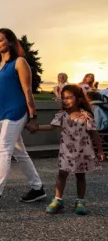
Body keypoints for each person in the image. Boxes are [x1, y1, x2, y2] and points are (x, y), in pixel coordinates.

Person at [0, 28, 46, 208]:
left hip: (17, 111)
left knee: (3, 151)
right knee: (20, 152)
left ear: (11, 42)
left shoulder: (19, 62)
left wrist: (33, 116)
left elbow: (28, 91)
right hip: (3, 114)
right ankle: (37, 188)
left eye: (0, 40)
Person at [30, 84, 104, 215]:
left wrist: (100, 151)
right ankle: (58, 200)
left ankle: (80, 201)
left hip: (82, 152)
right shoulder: (62, 115)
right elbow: (51, 127)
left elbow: (94, 134)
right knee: (62, 174)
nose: (65, 101)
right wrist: (37, 128)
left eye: (69, 98)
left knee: (80, 176)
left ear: (79, 99)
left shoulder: (85, 116)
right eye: (63, 98)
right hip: (66, 152)